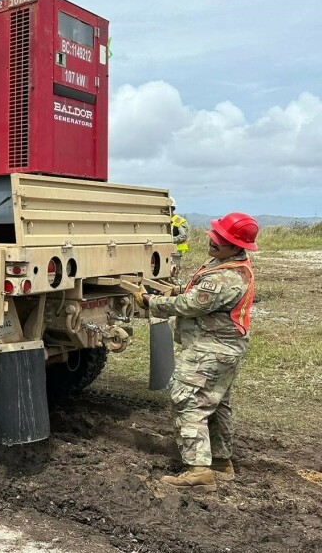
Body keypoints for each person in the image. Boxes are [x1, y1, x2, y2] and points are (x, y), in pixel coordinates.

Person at [136, 211, 258, 492]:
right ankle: (220, 462)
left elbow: (192, 304)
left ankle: (198, 470)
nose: (213, 240)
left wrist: (149, 302)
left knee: (188, 398)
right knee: (216, 403)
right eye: (215, 235)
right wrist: (171, 289)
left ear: (237, 246)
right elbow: (195, 291)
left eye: (222, 239)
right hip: (223, 348)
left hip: (212, 349)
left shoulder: (227, 278)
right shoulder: (225, 263)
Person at [170, 198, 190, 273]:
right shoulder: (166, 219)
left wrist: (169, 240)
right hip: (168, 249)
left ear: (172, 208)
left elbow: (183, 236)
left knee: (173, 270)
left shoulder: (179, 220)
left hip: (177, 250)